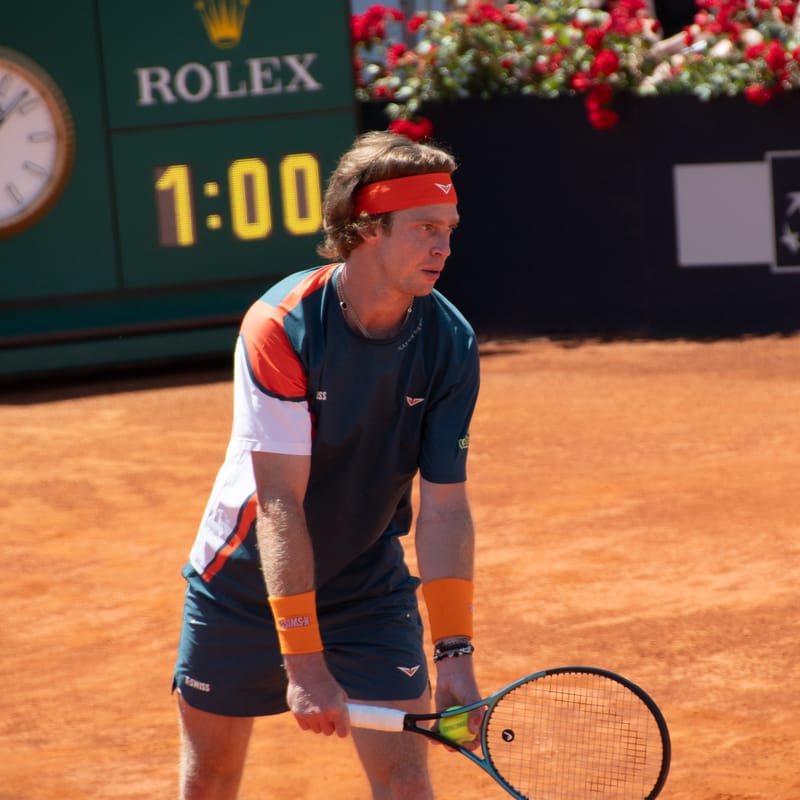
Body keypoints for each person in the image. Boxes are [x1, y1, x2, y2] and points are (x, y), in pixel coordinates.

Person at [173, 130, 483, 799]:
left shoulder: (450, 341)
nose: (445, 247)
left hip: (367, 582)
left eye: (450, 229)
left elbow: (446, 505)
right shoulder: (281, 325)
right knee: (210, 782)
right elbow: (279, 502)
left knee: (405, 782)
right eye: (426, 227)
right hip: (244, 584)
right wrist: (305, 662)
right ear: (368, 227)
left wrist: (454, 652)